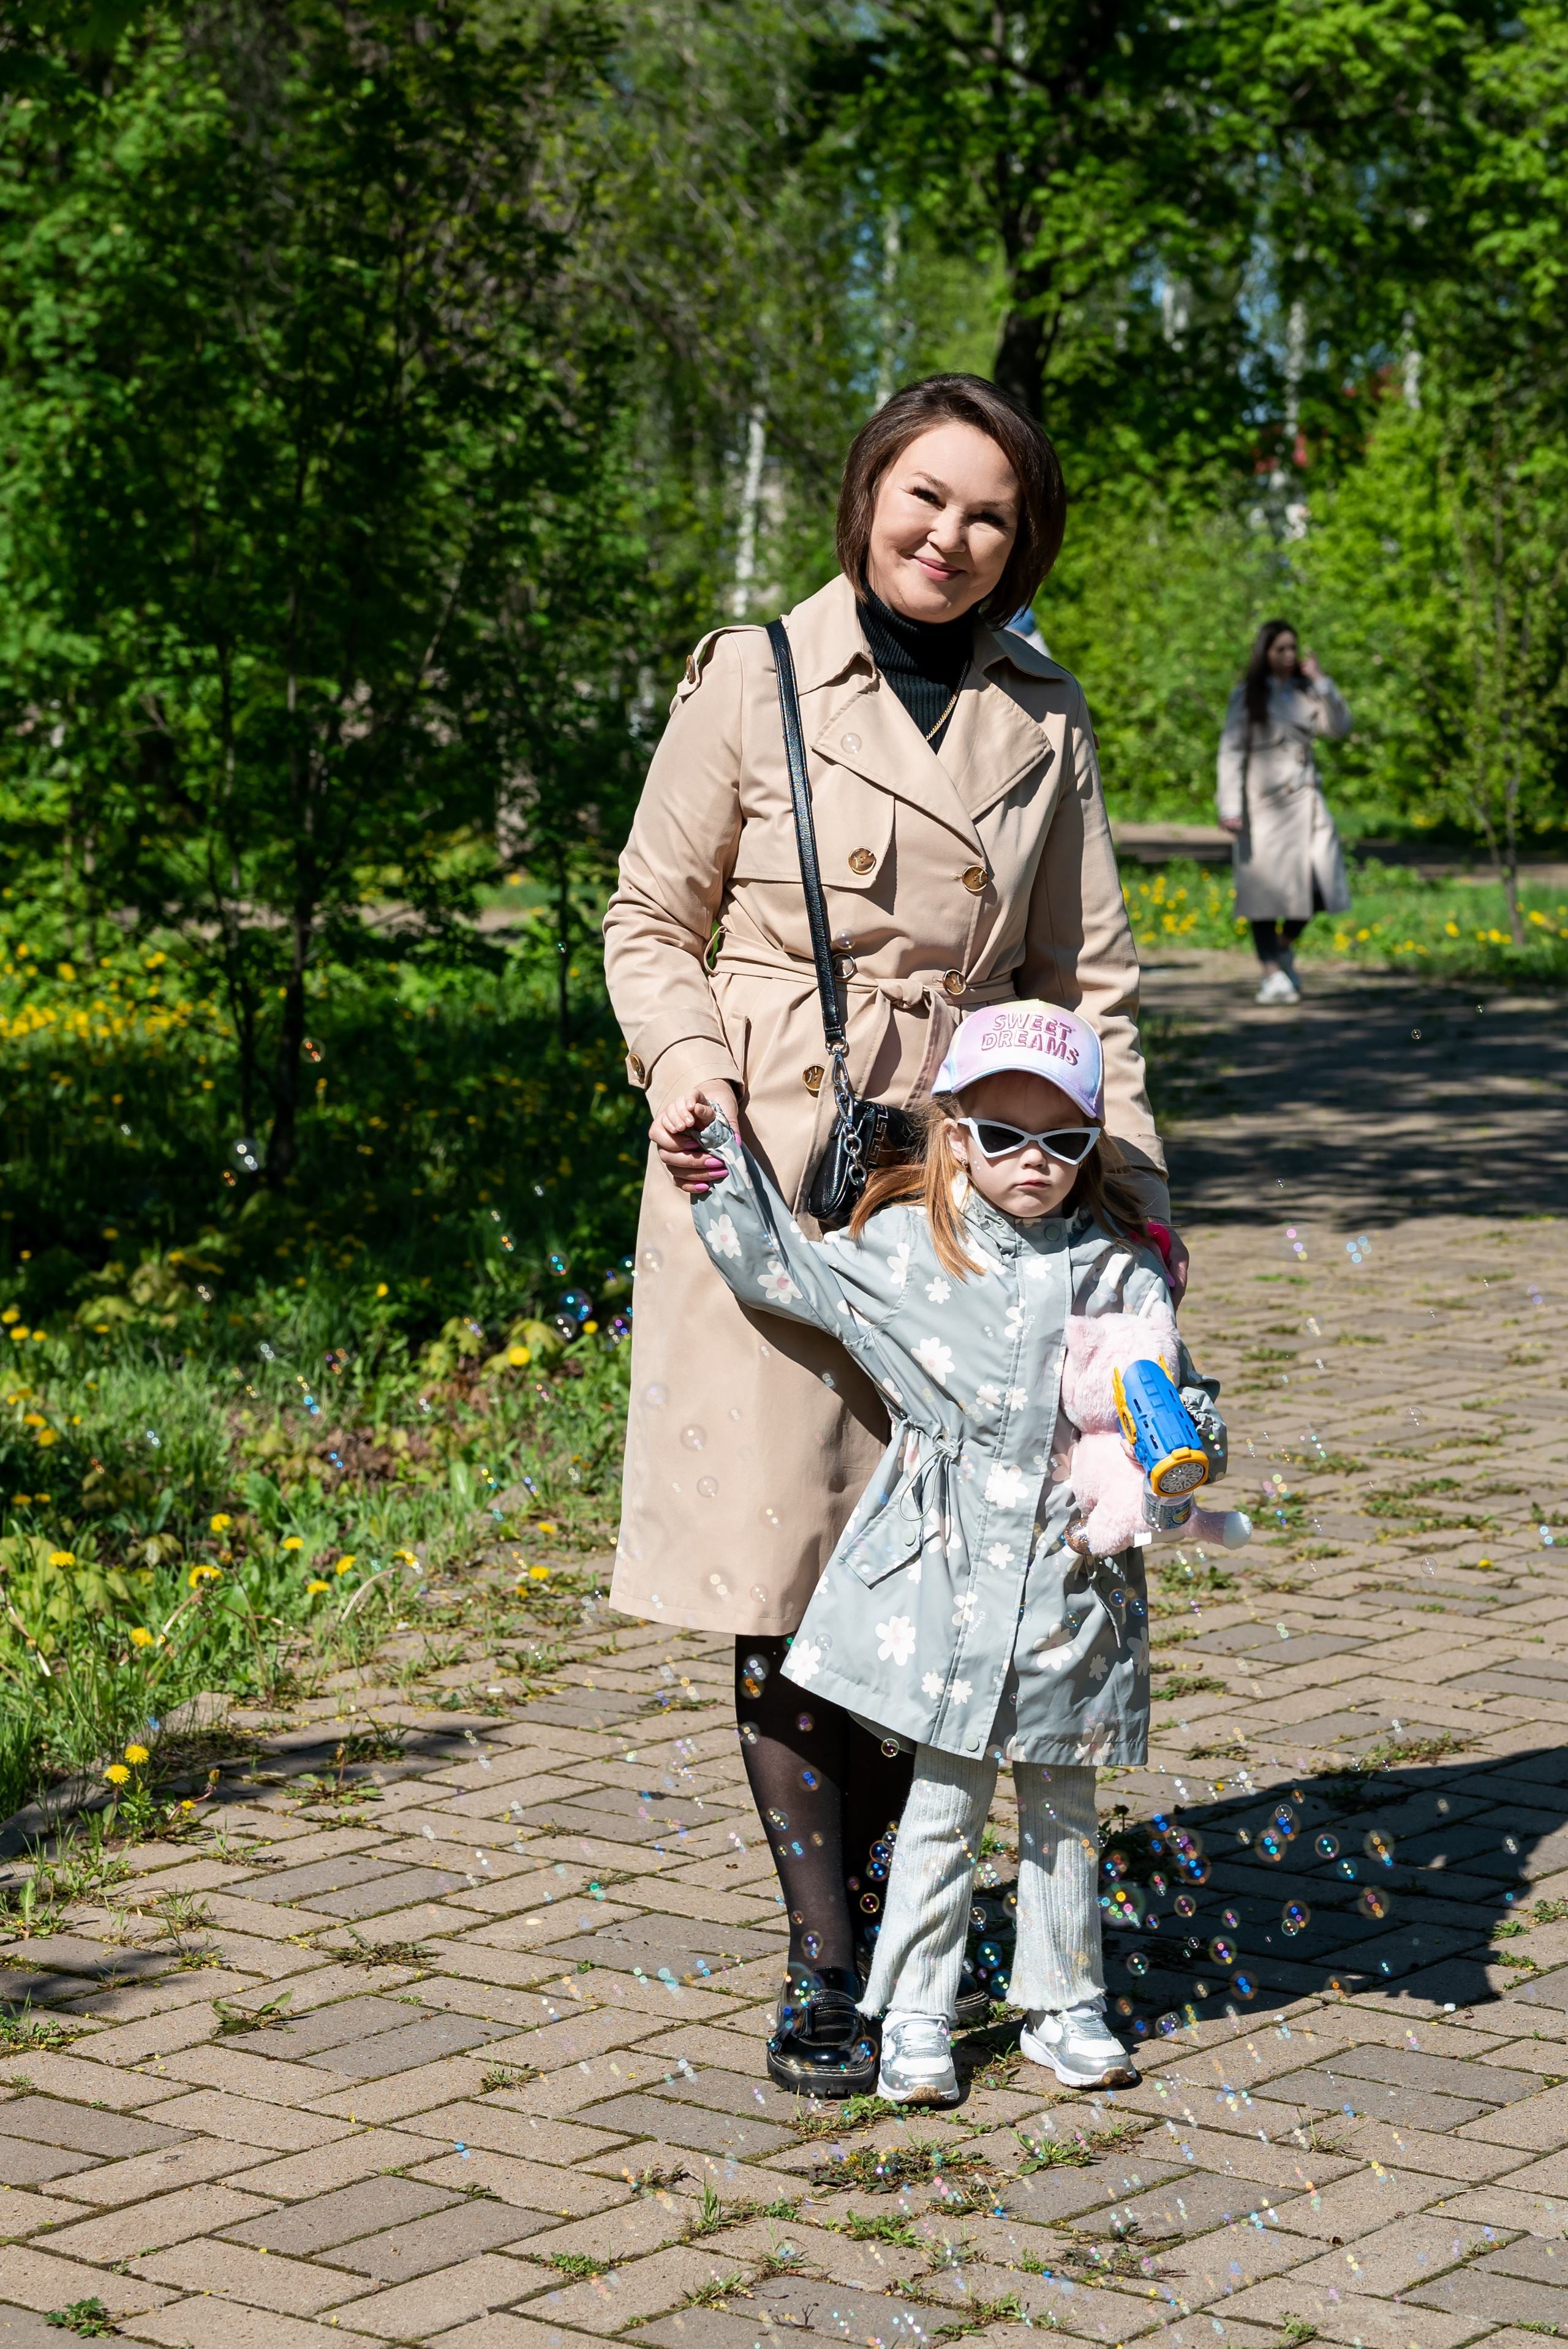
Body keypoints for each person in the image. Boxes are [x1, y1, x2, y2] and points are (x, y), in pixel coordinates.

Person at [602, 372, 1181, 2098]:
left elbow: (1087, 977)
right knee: (784, 1560)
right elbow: (649, 916)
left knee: (939, 1555)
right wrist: (689, 1068)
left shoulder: (1042, 715)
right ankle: (829, 1960)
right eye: (925, 496)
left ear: (1025, 541)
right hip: (766, 1162)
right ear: (865, 493)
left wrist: (1134, 1200)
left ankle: (898, 1918)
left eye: (991, 514)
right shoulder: (752, 674)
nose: (950, 535)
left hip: (972, 1184)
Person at [664, 1000, 1226, 2103]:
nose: (1035, 1160)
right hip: (949, 1578)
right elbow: (784, 1271)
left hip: (1073, 1583)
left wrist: (1183, 1444)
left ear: (1093, 1145)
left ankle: (1065, 2004)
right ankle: (914, 2010)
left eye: (1064, 1139)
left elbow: (1180, 1400)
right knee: (942, 1800)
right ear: (956, 1135)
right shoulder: (911, 1251)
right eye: (1004, 1135)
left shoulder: (1120, 1273)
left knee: (1064, 1804)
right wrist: (718, 1159)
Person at [1217, 619, 1352, 1005]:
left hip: (1308, 802)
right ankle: (1271, 974)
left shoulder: (1307, 692)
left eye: (1293, 648)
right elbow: (1231, 752)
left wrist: (1323, 682)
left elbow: (1340, 728)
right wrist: (1230, 806)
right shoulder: (1246, 696)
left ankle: (1281, 949)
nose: (1289, 655)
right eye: (1281, 649)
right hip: (1263, 807)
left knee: (1322, 884)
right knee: (1263, 893)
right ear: (1266, 653)